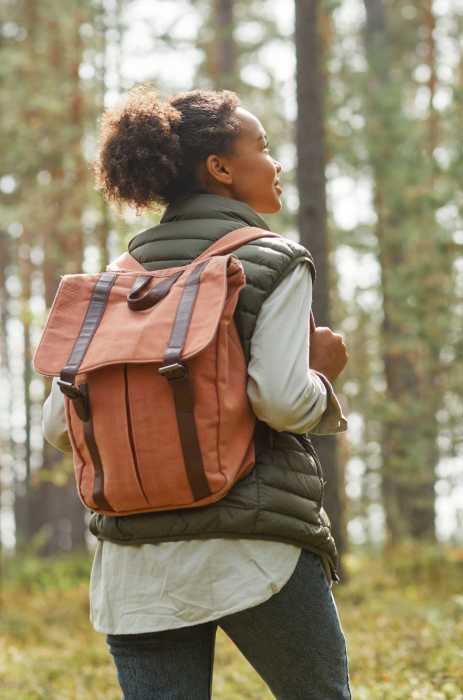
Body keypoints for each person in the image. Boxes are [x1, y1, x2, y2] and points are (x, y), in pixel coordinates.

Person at [41, 85, 353, 700]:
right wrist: (323, 374)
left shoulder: (114, 283)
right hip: (253, 548)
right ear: (220, 169)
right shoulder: (272, 260)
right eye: (262, 147)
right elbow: (283, 402)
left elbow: (59, 425)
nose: (275, 161)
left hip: (135, 568)